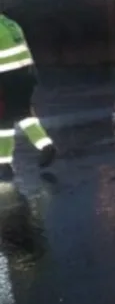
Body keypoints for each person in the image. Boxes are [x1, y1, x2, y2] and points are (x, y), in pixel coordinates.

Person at [0, 12, 56, 180]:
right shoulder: (10, 22)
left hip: (7, 78)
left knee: (5, 120)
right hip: (26, 75)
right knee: (20, 115)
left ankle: (4, 164)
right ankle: (45, 147)